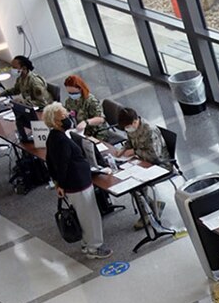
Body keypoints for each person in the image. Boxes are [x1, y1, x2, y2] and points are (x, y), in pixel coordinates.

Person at [42, 102, 110, 259]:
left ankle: (87, 244)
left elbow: (50, 162)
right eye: (63, 117)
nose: (68, 119)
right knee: (90, 216)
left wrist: (58, 183)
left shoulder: (53, 137)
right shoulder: (61, 141)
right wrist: (61, 183)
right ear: (55, 122)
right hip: (77, 183)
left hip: (72, 184)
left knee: (82, 215)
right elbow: (62, 165)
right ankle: (95, 247)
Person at [113, 108, 170, 227]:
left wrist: (134, 151)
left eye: (128, 126)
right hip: (141, 161)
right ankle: (152, 207)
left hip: (159, 164)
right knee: (127, 181)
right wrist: (123, 150)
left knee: (135, 184)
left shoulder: (149, 130)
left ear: (135, 122)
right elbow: (130, 141)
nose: (127, 129)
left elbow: (155, 156)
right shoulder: (131, 127)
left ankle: (147, 214)